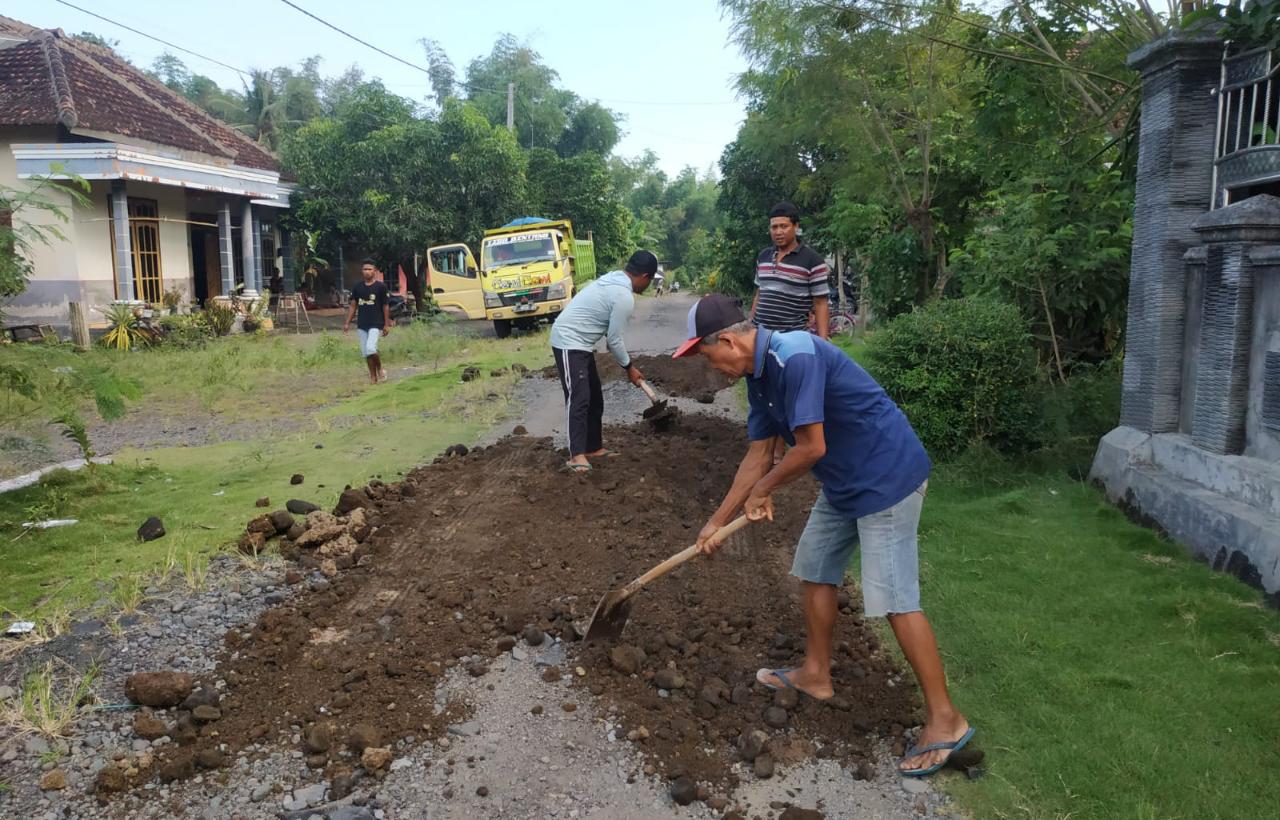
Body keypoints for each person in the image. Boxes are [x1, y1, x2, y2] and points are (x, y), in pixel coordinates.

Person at [672, 294, 973, 778]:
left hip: (887, 477)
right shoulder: (759, 380)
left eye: (709, 359)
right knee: (814, 567)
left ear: (728, 340)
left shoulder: (796, 355)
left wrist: (766, 492)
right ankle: (816, 674)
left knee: (893, 599)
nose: (714, 371)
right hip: (844, 481)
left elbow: (811, 447)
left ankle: (946, 720)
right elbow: (758, 458)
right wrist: (716, 522)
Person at [548, 250, 658, 473]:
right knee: (578, 397)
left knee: (594, 397)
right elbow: (614, 340)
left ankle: (593, 447)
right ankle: (576, 455)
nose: (648, 286)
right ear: (645, 276)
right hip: (568, 340)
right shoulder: (623, 296)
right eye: (650, 281)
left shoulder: (615, 278)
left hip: (582, 343)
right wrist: (629, 368)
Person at [343, 258, 394, 384]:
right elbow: (353, 306)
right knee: (366, 353)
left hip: (376, 323)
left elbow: (385, 306)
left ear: (375, 271)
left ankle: (380, 368)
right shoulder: (358, 287)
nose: (367, 272)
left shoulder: (380, 287)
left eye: (369, 269)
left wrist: (386, 324)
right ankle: (373, 378)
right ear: (362, 271)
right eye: (365, 269)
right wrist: (347, 323)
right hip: (362, 324)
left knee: (371, 348)